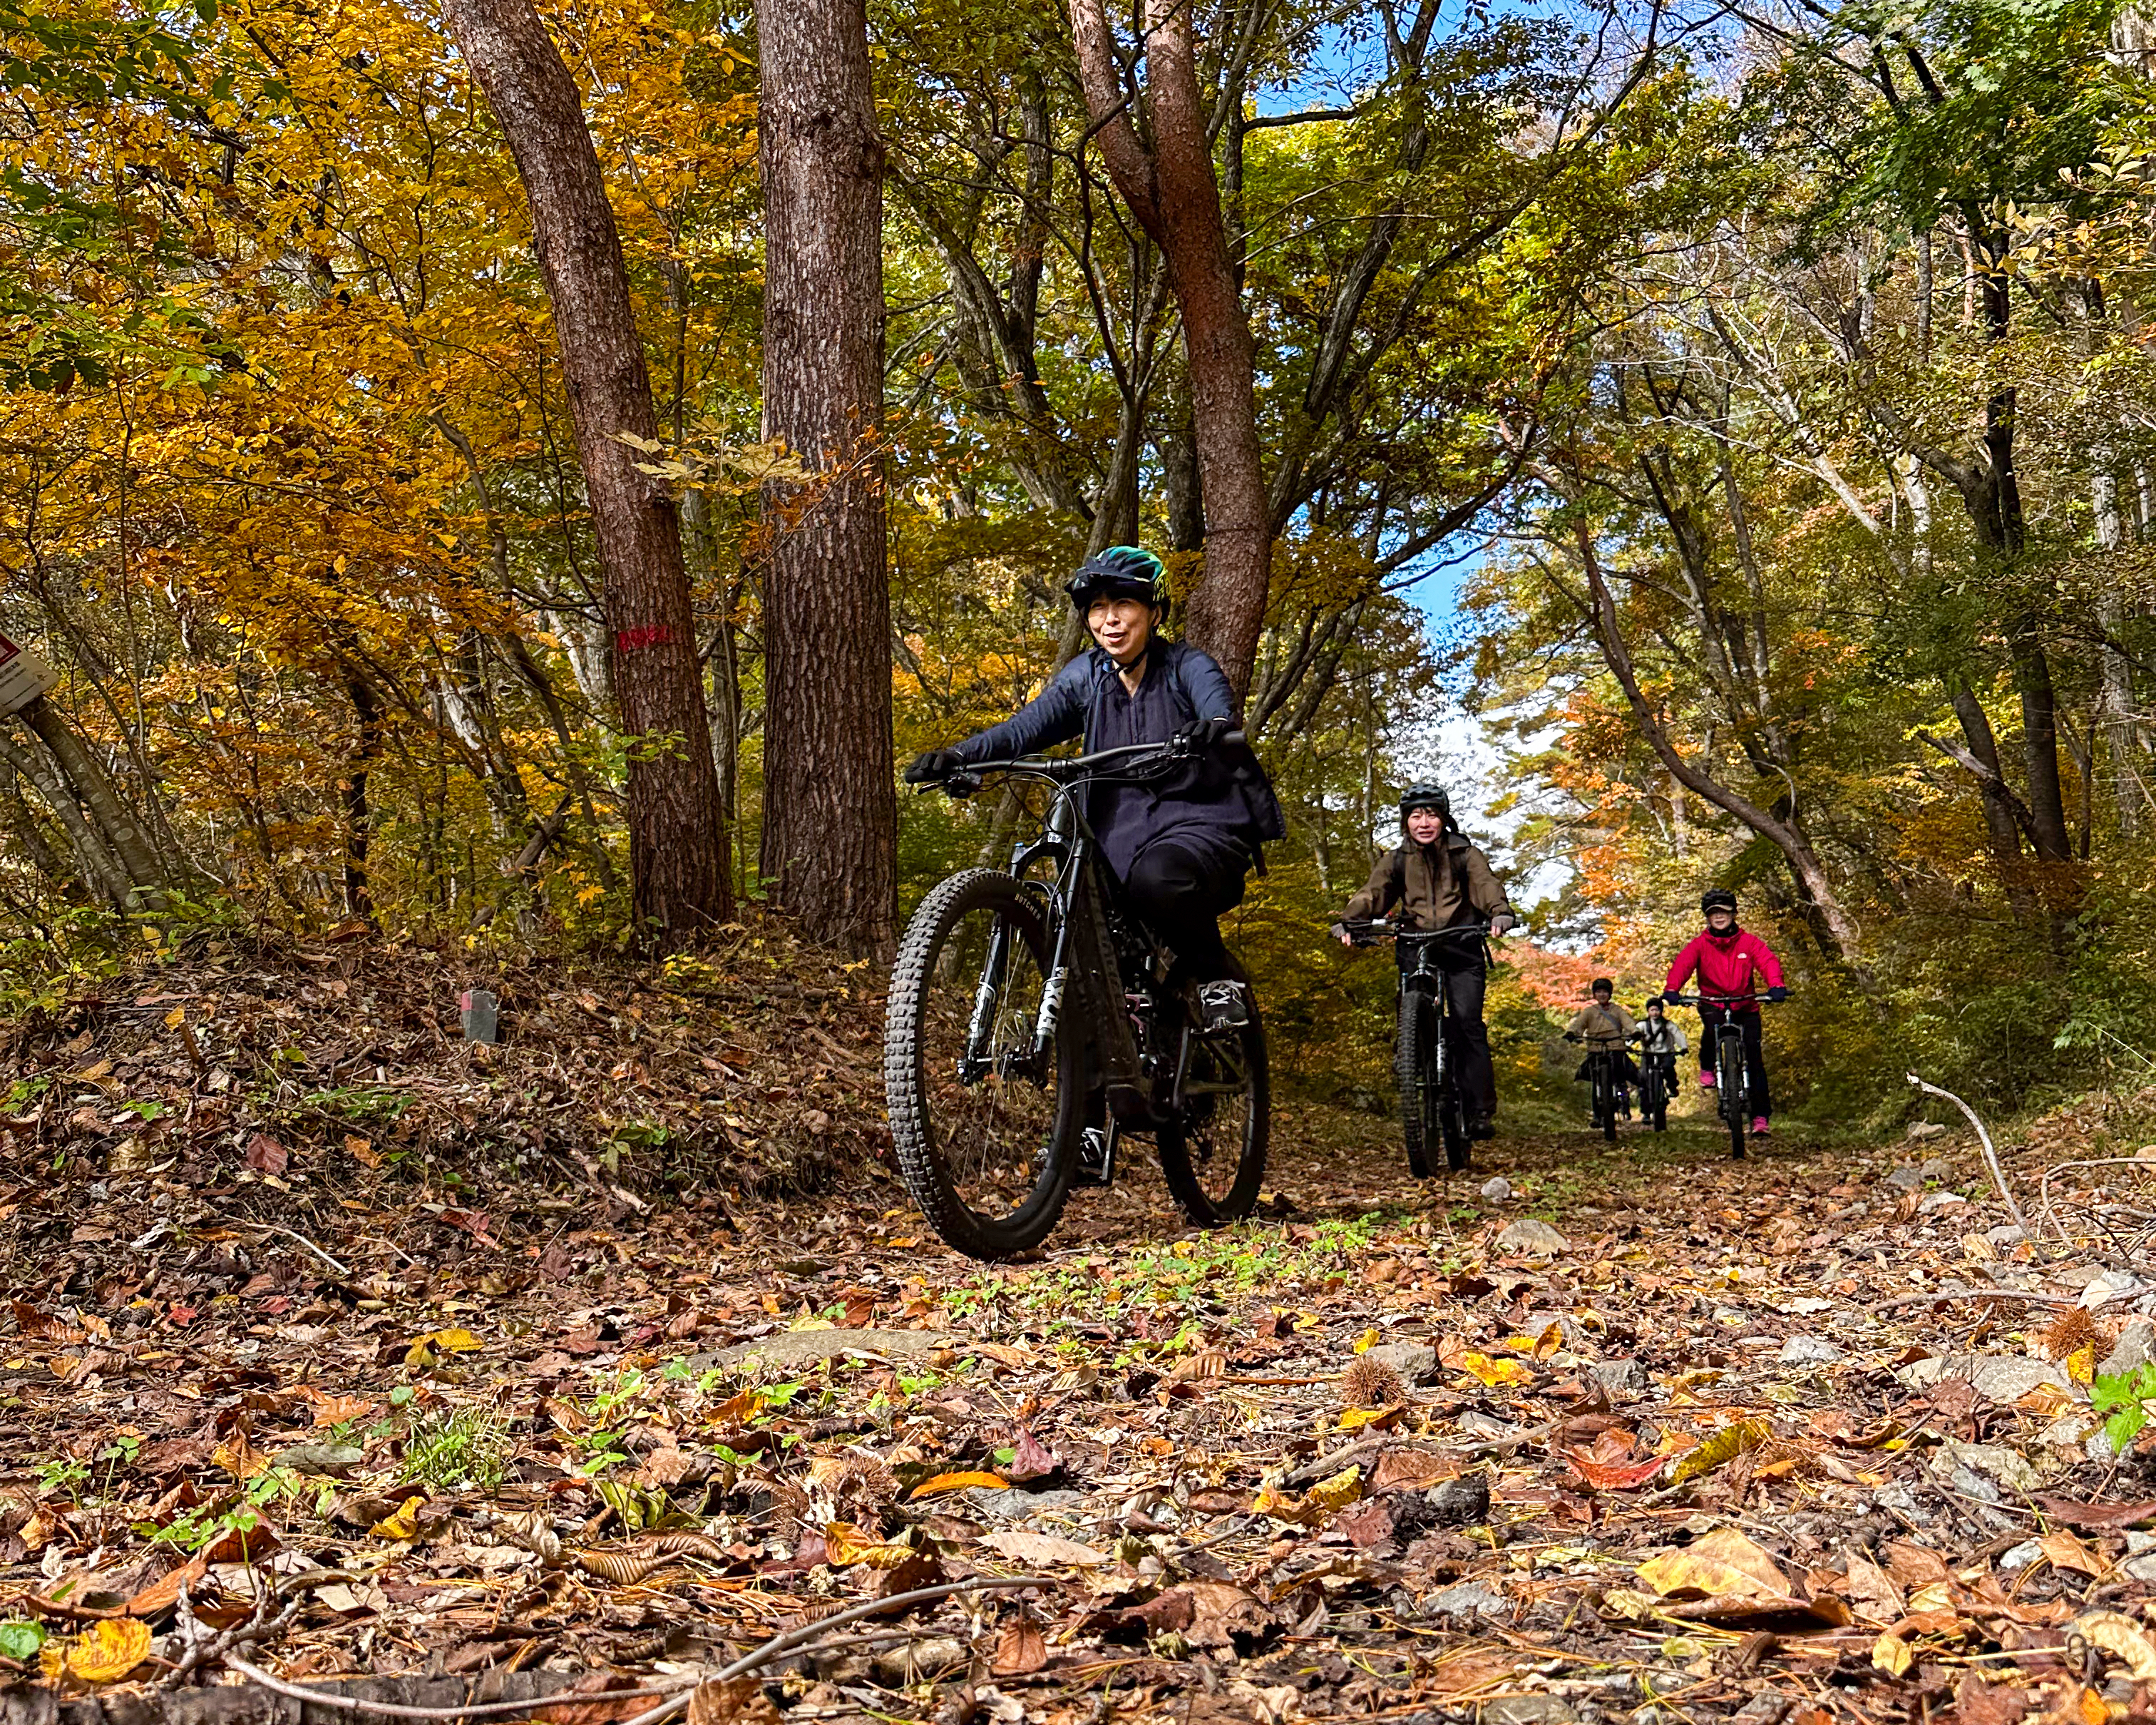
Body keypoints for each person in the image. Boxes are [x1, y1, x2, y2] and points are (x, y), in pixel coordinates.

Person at [904, 546, 1283, 1032]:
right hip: (1116, 830)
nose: (1111, 620)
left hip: (1197, 824)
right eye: (1098, 609)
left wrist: (1212, 726)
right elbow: (1024, 729)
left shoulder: (1186, 665)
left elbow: (1216, 703)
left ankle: (1216, 976)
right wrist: (958, 756)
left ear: (1155, 613)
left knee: (1158, 876)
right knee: (1082, 901)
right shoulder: (1086, 677)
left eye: (1124, 604)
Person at [1334, 783, 1516, 1140]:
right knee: (1410, 1004)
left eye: (1431, 814)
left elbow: (1486, 885)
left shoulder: (1465, 853)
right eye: (1416, 815)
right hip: (1416, 944)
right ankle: (1410, 1055)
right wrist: (1350, 921)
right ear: (1406, 822)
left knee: (1467, 1024)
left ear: (1443, 818)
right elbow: (1373, 893)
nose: (1424, 822)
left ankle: (1479, 1110)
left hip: (1461, 943)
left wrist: (1500, 913)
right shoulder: (1397, 859)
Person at [1663, 888, 1786, 1137]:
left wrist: (1776, 986)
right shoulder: (1699, 945)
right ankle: (1708, 1067)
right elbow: (1682, 965)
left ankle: (1760, 1118)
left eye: (1724, 912)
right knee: (1711, 1030)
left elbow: (1767, 961)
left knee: (1754, 1059)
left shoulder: (1749, 942)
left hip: (1746, 1004)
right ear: (1708, 918)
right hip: (1713, 1003)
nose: (1719, 917)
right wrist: (1672, 989)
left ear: (1733, 914)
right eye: (1713, 913)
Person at [1564, 978, 1639, 1115]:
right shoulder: (1589, 1011)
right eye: (1599, 992)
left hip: (1615, 1047)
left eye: (1605, 991)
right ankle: (1597, 1115)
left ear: (1610, 994)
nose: (1602, 994)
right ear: (1595, 995)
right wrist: (1572, 1033)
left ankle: (1622, 1091)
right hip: (1595, 1048)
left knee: (1623, 1069)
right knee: (1594, 1078)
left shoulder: (1617, 1010)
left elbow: (1627, 1022)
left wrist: (1635, 1032)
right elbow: (1579, 1024)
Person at [1637, 995, 1688, 1096]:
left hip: (1666, 1054)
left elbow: (1678, 1035)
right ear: (1648, 1011)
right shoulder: (1642, 1025)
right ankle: (1645, 1106)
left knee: (1668, 1069)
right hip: (1648, 1055)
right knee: (1643, 1078)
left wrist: (1683, 1047)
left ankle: (1672, 1087)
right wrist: (1627, 1045)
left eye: (1657, 1010)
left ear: (1661, 1011)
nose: (1655, 1013)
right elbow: (1635, 1034)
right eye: (1652, 1010)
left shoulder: (1668, 1025)